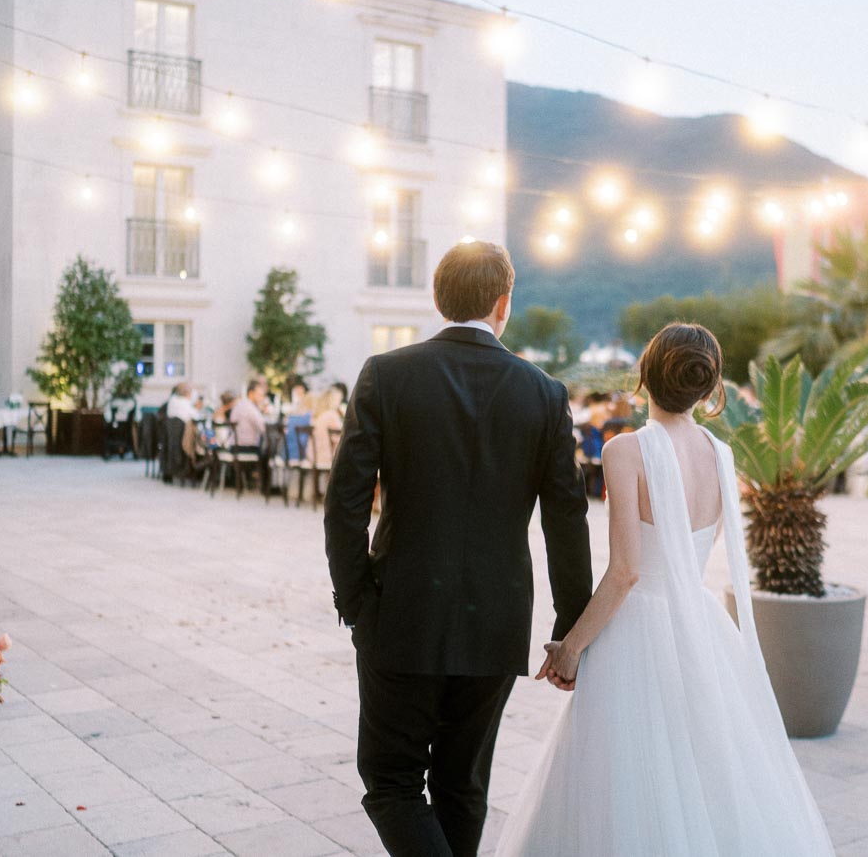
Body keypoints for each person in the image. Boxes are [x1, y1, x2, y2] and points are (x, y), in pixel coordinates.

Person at [495, 323, 836, 857]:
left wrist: (572, 646)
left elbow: (627, 571)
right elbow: (691, 551)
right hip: (699, 623)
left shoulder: (626, 451)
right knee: (703, 771)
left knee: (627, 776)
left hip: (637, 630)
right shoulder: (722, 454)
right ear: (709, 387)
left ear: (645, 378)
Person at [325, 240, 592, 857]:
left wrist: (359, 600)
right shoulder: (545, 393)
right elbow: (566, 517)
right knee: (462, 786)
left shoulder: (385, 375)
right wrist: (570, 627)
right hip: (497, 619)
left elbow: (344, 503)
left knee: (390, 782)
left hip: (401, 612)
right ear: (504, 303)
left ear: (438, 300)